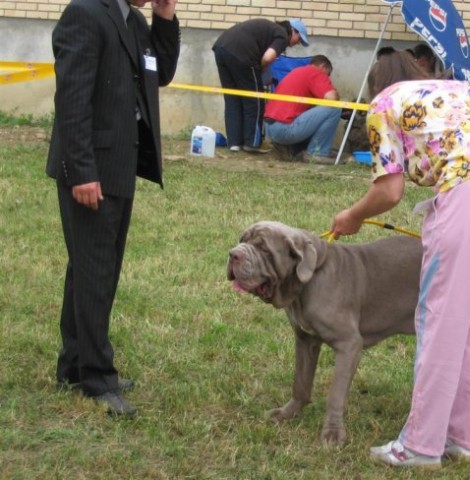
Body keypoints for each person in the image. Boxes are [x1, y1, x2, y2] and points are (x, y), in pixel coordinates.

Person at [330, 51, 470, 470]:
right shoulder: (462, 88)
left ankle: (421, 446)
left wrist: (352, 216)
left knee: (442, 320)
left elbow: (389, 193)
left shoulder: (385, 102)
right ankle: (465, 440)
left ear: (378, 83)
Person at [46, 0, 180, 417]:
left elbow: (162, 72)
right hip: (92, 170)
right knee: (96, 271)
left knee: (90, 268)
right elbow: (72, 98)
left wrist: (165, 17)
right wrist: (82, 171)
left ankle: (73, 365)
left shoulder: (134, 20)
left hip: (119, 164)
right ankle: (98, 377)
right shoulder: (86, 13)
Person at [212, 18, 309, 154]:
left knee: (232, 98)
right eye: (299, 39)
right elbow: (267, 58)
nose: (297, 43)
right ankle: (252, 143)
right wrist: (259, 70)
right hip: (243, 54)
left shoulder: (271, 29)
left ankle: (234, 143)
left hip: (221, 48)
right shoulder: (282, 35)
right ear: (293, 31)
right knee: (255, 101)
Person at [264, 55, 341, 164]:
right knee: (334, 108)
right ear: (323, 66)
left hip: (270, 128)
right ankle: (317, 153)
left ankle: (296, 149)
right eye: (328, 75)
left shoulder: (298, 72)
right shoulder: (315, 72)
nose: (327, 79)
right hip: (283, 129)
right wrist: (335, 93)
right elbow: (332, 98)